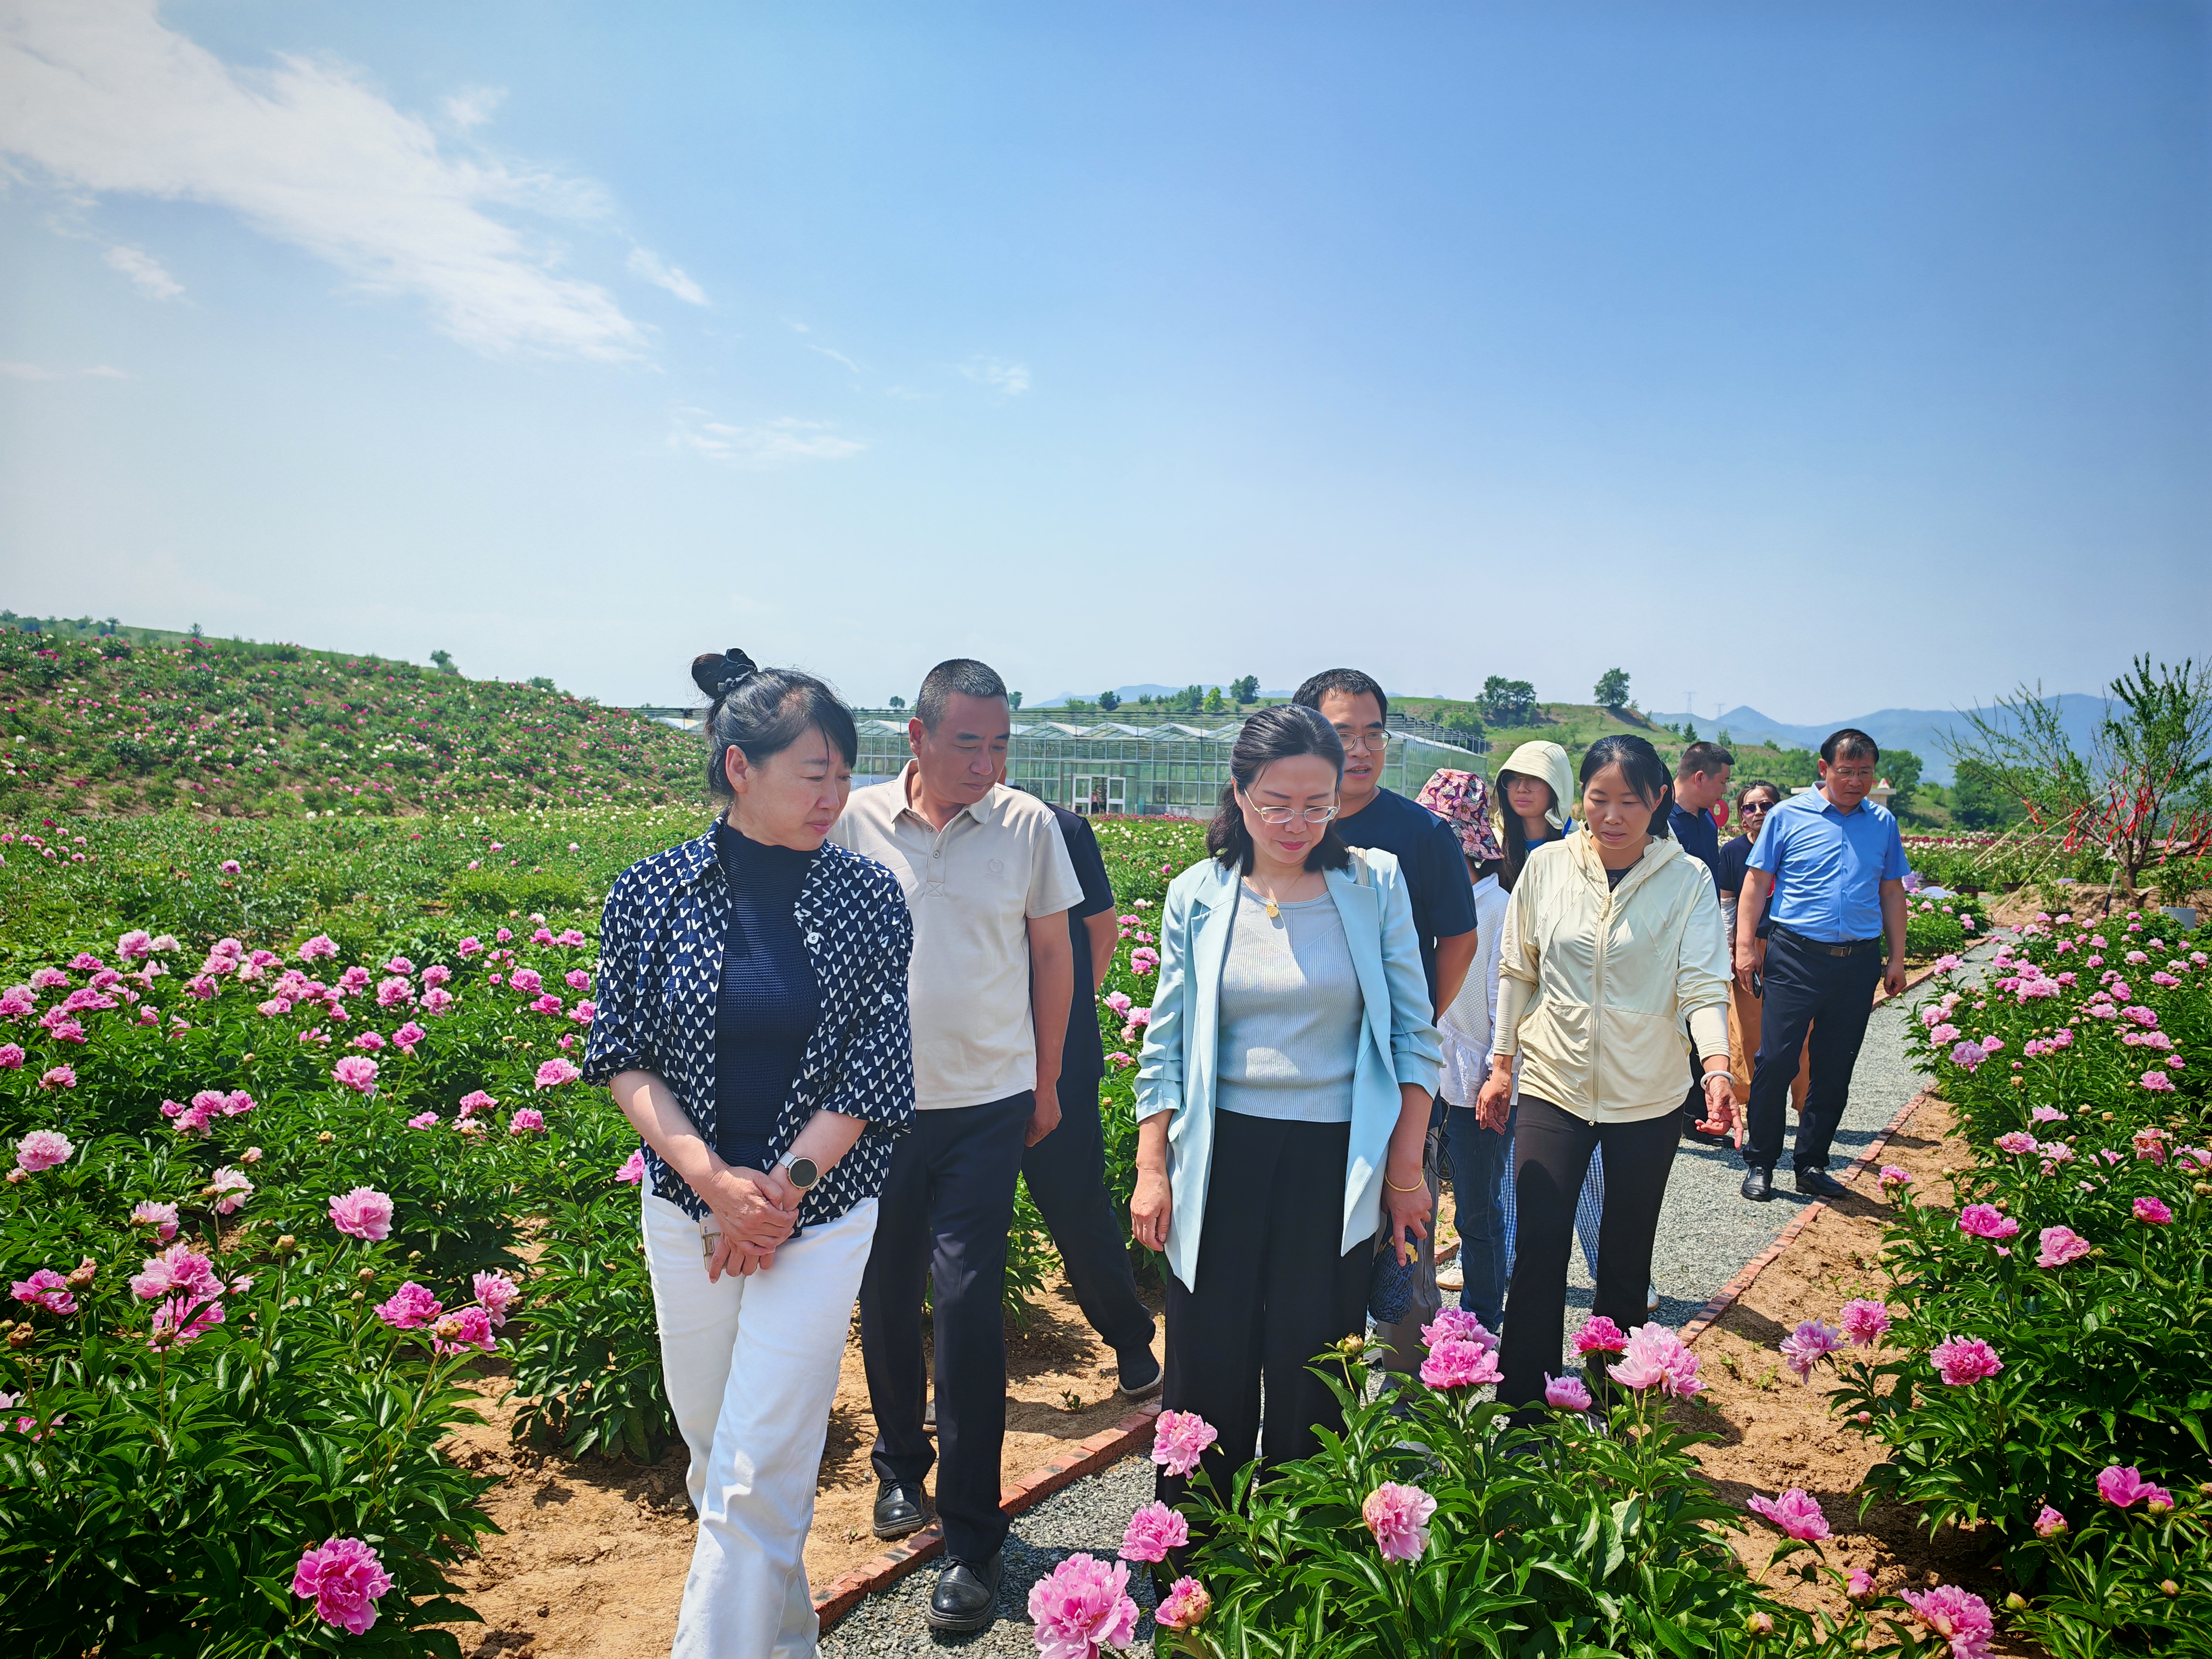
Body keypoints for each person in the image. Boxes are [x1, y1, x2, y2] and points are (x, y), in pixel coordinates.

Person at [586, 649, 915, 1659]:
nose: (834, 796)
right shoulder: (650, 892)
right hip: (689, 1211)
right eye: (813, 773)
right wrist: (714, 1185)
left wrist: (777, 1196)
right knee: (717, 1459)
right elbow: (622, 1057)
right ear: (740, 767)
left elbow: (876, 1068)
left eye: (844, 774)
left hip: (820, 1216)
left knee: (753, 1467)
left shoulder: (870, 895)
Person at [1129, 705, 1441, 1507]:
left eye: (1317, 804)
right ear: (1238, 793)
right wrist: (1152, 1165)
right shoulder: (1199, 893)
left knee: (1316, 1367)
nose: (1297, 825)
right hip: (1219, 1156)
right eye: (1275, 805)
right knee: (1206, 1365)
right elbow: (1165, 1045)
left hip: (1333, 1157)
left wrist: (1405, 1169)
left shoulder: (1373, 884)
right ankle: (1194, 1554)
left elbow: (1414, 1036)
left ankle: (1305, 1553)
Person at [831, 658, 1084, 1634]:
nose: (987, 763)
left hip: (987, 1101)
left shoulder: (1028, 827)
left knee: (971, 1303)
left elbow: (1053, 952)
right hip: (875, 1107)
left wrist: (1048, 1078)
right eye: (968, 742)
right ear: (918, 738)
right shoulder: (854, 820)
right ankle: (900, 1464)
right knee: (886, 1286)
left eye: (1000, 744)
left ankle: (974, 1539)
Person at [1477, 734, 1736, 1413]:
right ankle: (1525, 1407)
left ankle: (1612, 1402)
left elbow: (1702, 984)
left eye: (1630, 800)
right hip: (1553, 1081)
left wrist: (1716, 1068)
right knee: (1538, 1244)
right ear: (1580, 800)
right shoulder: (1547, 867)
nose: (1612, 816)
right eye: (1598, 799)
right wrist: (1501, 1066)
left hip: (1647, 1094)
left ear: (1659, 799)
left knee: (1625, 1254)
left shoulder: (1687, 879)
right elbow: (1517, 971)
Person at [1293, 670, 1478, 1373]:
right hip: (1301, 1071)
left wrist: (1411, 1027)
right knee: (1311, 1245)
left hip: (1392, 1075)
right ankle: (1315, 1396)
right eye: (1343, 734)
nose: (1362, 749)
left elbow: (1458, 940)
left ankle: (1407, 1409)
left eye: (1374, 734)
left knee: (1402, 1238)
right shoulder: (1282, 825)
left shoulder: (1421, 834)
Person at [1027, 773, 1162, 1397]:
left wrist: (1065, 1011)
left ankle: (1131, 1342)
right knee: (956, 1222)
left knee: (1075, 1201)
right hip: (970, 1058)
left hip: (1062, 1056)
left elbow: (1102, 933)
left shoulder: (1061, 829)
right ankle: (953, 1374)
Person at [1735, 730, 1910, 1204]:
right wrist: (1745, 946)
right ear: (1823, 769)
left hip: (1857, 961)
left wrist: (1896, 958)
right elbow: (1756, 883)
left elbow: (1892, 892)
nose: (1855, 781)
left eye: (1865, 772)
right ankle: (1761, 1162)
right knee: (1776, 1060)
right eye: (1846, 771)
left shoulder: (1883, 823)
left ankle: (1811, 1164)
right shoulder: (1787, 816)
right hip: (1796, 956)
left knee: (1834, 1066)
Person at [1489, 739, 1604, 1299]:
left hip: (1564, 1016)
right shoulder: (1493, 848)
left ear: (1557, 785)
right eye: (1512, 779)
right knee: (1512, 1149)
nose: (1521, 789)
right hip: (1499, 1001)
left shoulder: (1580, 849)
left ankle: (1611, 1263)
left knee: (1585, 1150)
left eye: (1534, 779)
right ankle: (1507, 1258)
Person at [1416, 769, 1512, 1325]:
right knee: (1414, 1201)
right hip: (1422, 1076)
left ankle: (1482, 1318)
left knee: (1476, 1210)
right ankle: (1414, 1315)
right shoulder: (1425, 901)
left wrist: (1498, 1074)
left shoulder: (1498, 908)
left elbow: (1506, 1001)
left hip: (1475, 1081)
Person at [1718, 781, 1809, 1116]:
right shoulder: (1732, 852)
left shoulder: (1797, 847)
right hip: (1748, 945)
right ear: (1741, 817)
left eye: (1767, 805)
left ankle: (1806, 1104)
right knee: (1748, 1027)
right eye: (1750, 807)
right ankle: (1753, 1104)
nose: (1759, 812)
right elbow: (1727, 905)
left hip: (1793, 944)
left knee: (1803, 1029)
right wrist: (1732, 950)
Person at [1668, 741, 1734, 1141]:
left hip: (1701, 936)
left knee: (1701, 1026)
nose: (1725, 790)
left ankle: (1696, 1113)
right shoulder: (1660, 822)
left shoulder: (1707, 821)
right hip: (1668, 940)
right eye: (1722, 782)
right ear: (1699, 778)